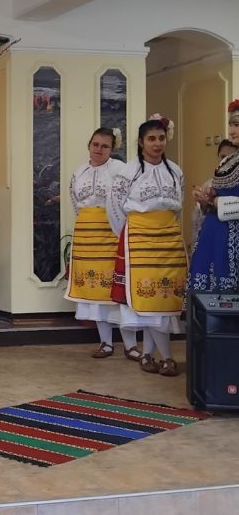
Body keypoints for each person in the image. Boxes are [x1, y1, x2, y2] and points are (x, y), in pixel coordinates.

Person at [109, 115, 186, 377]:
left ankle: (148, 355)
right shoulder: (128, 171)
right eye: (151, 139)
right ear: (141, 142)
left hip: (169, 239)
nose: (157, 143)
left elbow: (178, 206)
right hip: (139, 238)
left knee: (164, 299)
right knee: (147, 299)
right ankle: (167, 357)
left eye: (161, 138)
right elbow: (115, 208)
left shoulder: (175, 171)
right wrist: (128, 234)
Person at [65, 127, 140, 360]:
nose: (99, 149)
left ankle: (130, 345)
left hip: (113, 233)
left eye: (105, 146)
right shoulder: (79, 172)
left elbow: (127, 199)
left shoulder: (120, 170)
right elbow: (75, 202)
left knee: (118, 290)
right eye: (95, 144)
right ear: (89, 145)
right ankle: (105, 343)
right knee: (95, 292)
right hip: (87, 236)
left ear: (112, 149)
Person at [189, 100, 239, 294]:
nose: (231, 131)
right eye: (231, 125)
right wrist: (206, 200)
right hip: (213, 233)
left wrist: (215, 201)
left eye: (237, 125)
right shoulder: (229, 160)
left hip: (233, 238)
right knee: (205, 298)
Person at [191, 139, 238, 242]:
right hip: (214, 235)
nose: (226, 161)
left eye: (231, 157)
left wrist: (214, 200)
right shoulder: (210, 184)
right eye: (223, 157)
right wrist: (204, 203)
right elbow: (199, 220)